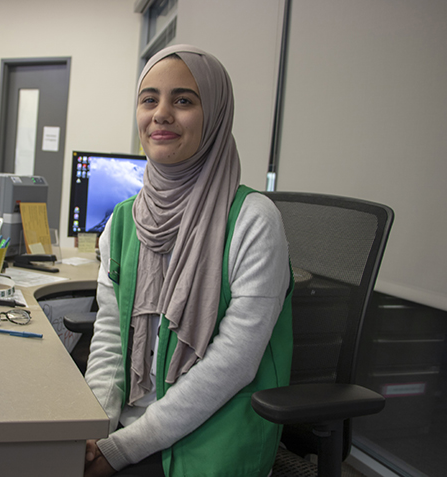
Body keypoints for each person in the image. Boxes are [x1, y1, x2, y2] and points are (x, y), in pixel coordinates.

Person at [83, 44, 294, 477]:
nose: (161, 114)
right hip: (125, 429)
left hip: (212, 437)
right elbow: (108, 340)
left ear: (214, 114)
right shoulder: (124, 221)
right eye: (149, 99)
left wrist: (120, 450)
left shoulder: (253, 220)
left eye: (183, 100)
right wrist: (94, 434)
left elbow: (232, 363)